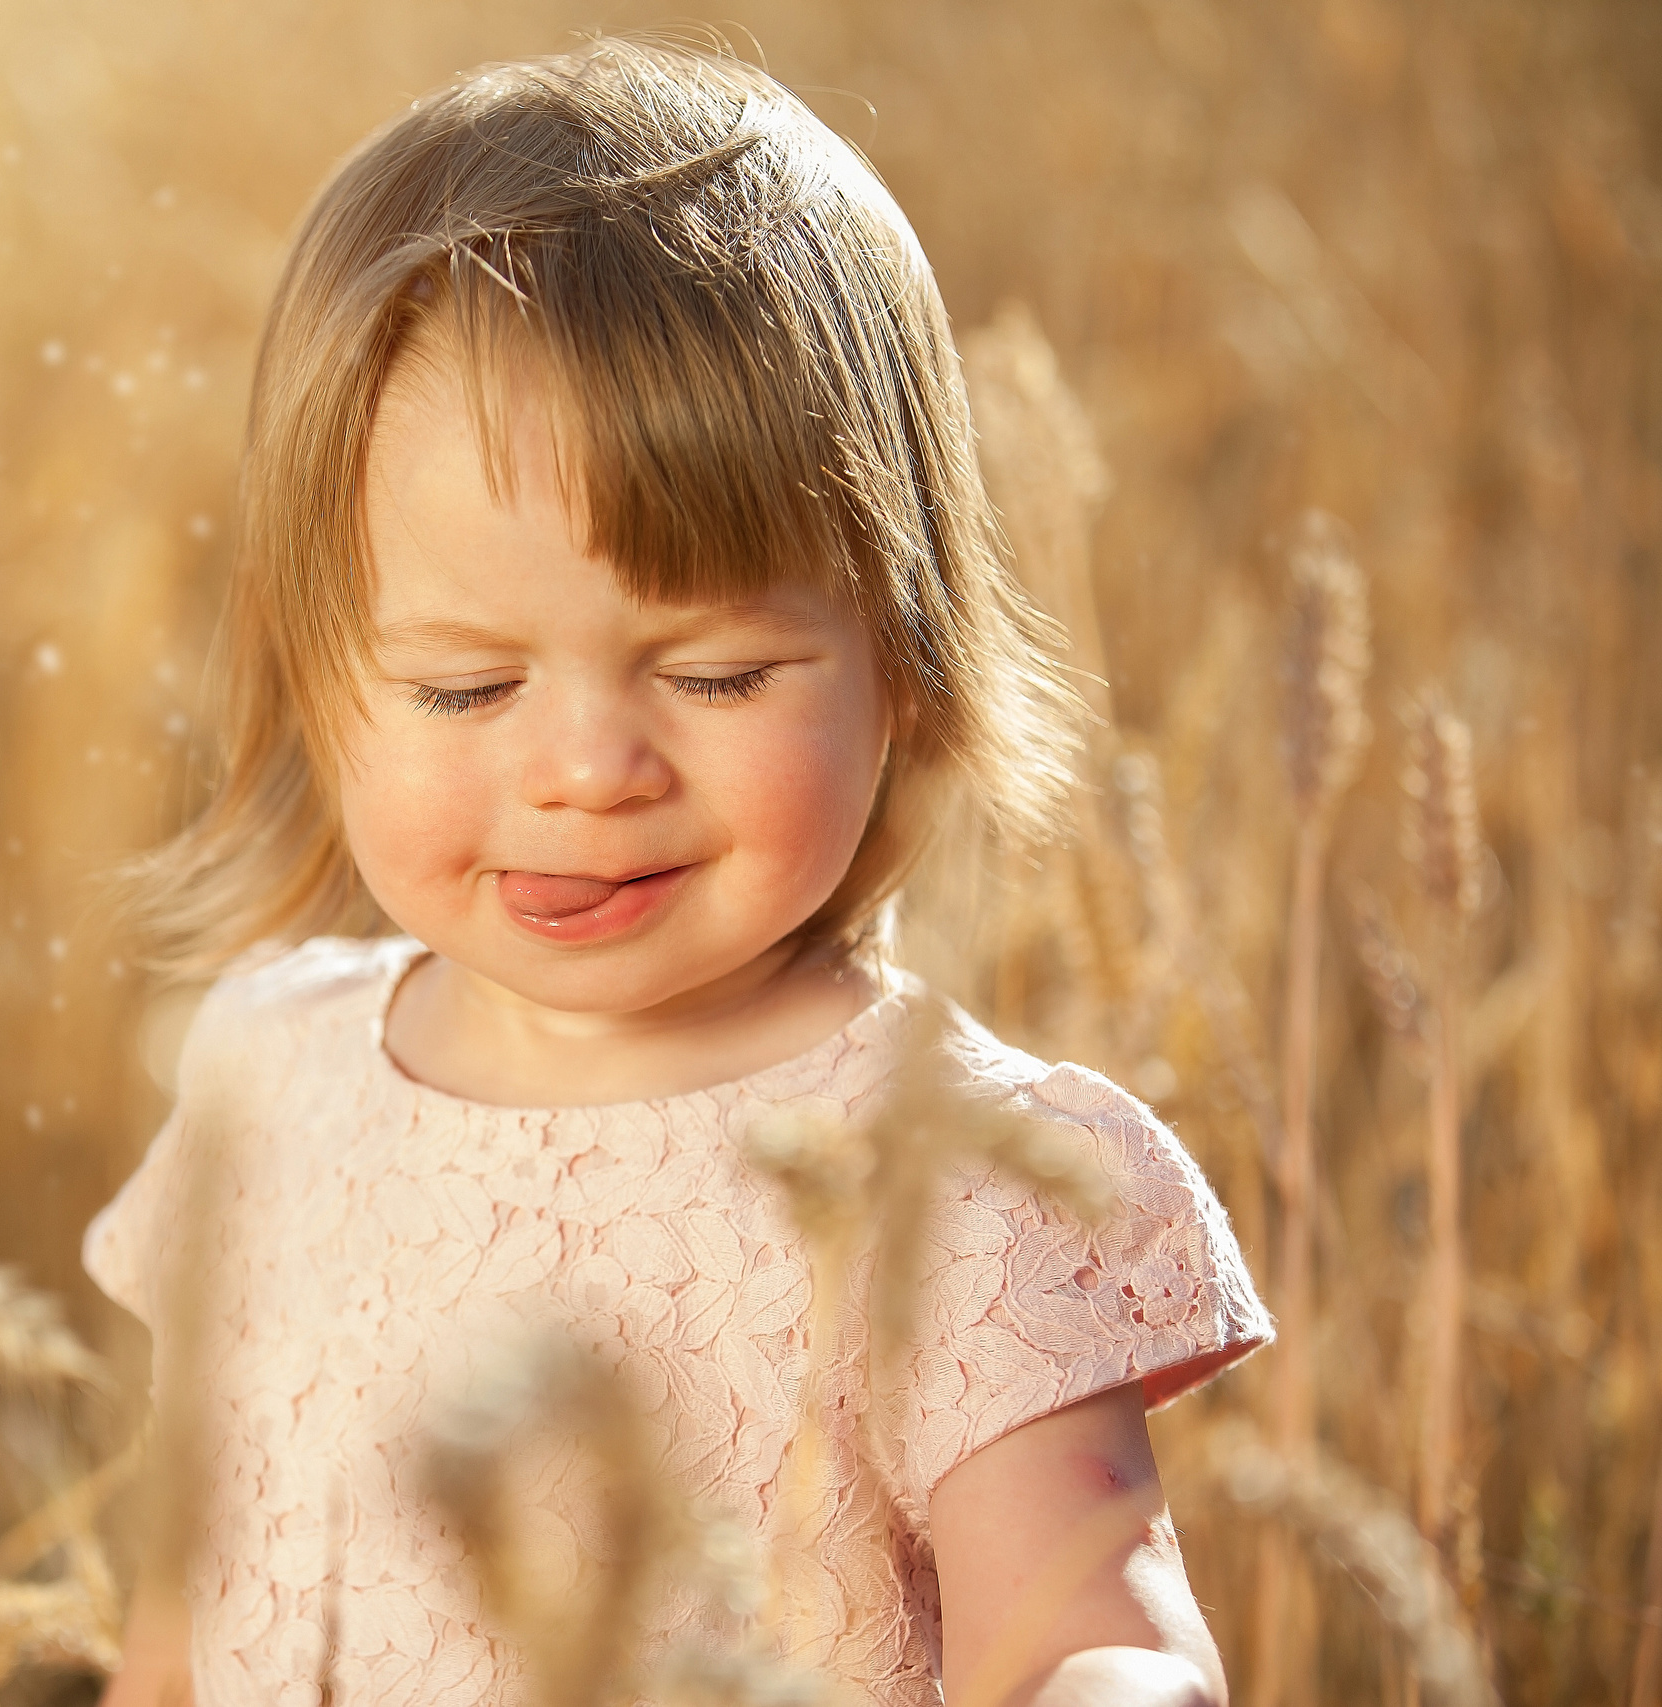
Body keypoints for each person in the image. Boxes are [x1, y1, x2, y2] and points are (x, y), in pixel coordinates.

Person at [85, 39, 1269, 1707]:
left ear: (909, 665)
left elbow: (1099, 1640)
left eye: (713, 675)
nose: (585, 769)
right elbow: (181, 1616)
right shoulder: (262, 1087)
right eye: (461, 688)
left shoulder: (959, 1181)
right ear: (312, 676)